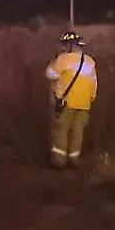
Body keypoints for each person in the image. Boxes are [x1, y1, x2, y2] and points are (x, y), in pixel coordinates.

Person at [45, 31, 98, 169]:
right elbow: (94, 84)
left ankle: (59, 160)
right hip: (85, 103)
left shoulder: (64, 59)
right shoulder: (90, 62)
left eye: (64, 45)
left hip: (67, 102)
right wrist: (91, 98)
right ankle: (74, 159)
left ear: (70, 45)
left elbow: (50, 75)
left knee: (61, 130)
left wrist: (52, 63)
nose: (63, 48)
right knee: (78, 132)